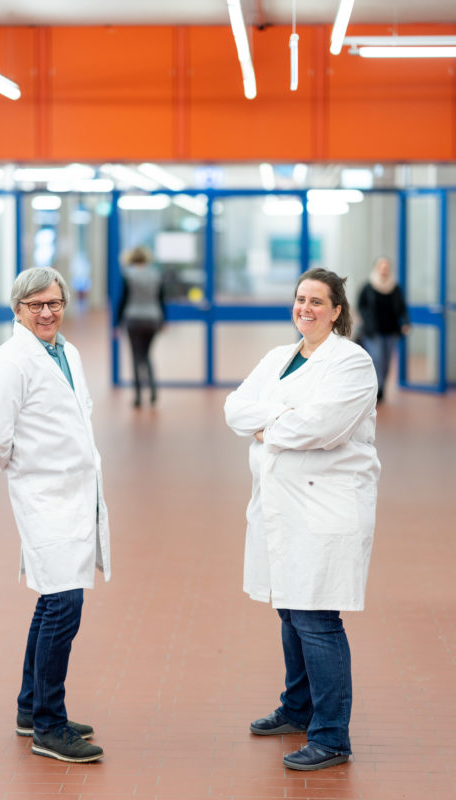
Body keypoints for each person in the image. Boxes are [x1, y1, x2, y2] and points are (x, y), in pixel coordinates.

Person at [224, 268, 380, 772]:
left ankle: (332, 735)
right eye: (299, 299)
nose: (305, 308)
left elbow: (324, 427)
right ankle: (297, 708)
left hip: (323, 508)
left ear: (336, 310)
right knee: (289, 609)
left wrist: (270, 423)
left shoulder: (352, 363)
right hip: (280, 506)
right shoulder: (279, 358)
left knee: (317, 618)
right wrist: (282, 415)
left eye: (317, 301)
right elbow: (234, 409)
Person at [0, 267, 110, 764]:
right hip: (43, 495)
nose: (48, 312)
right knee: (63, 603)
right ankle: (49, 727)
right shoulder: (10, 362)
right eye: (36, 306)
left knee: (53, 598)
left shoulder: (66, 352)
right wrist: (28, 467)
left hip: (73, 492)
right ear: (18, 309)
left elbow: (80, 410)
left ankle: (31, 708)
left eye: (54, 303)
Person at [116, 245, 165, 407]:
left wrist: (117, 323)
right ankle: (153, 391)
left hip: (134, 318)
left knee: (136, 356)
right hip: (152, 318)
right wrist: (163, 320)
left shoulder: (128, 275)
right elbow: (161, 298)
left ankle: (138, 396)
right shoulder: (155, 274)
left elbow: (123, 299)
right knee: (147, 355)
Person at [357, 256, 410, 402]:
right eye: (381, 266)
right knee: (377, 359)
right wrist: (366, 320)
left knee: (386, 362)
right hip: (373, 332)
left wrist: (405, 323)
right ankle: (375, 389)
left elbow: (402, 308)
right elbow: (361, 306)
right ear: (376, 268)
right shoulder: (368, 287)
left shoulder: (395, 288)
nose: (384, 270)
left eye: (386, 267)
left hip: (391, 331)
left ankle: (381, 388)